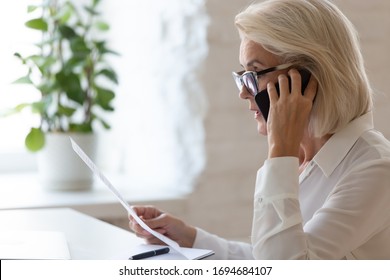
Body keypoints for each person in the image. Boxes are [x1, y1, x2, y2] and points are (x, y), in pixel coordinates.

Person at [129, 0, 390, 259]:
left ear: (307, 76)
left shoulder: (374, 169)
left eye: (255, 73)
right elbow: (272, 253)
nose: (244, 92)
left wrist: (280, 152)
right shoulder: (301, 159)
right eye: (242, 75)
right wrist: (189, 237)